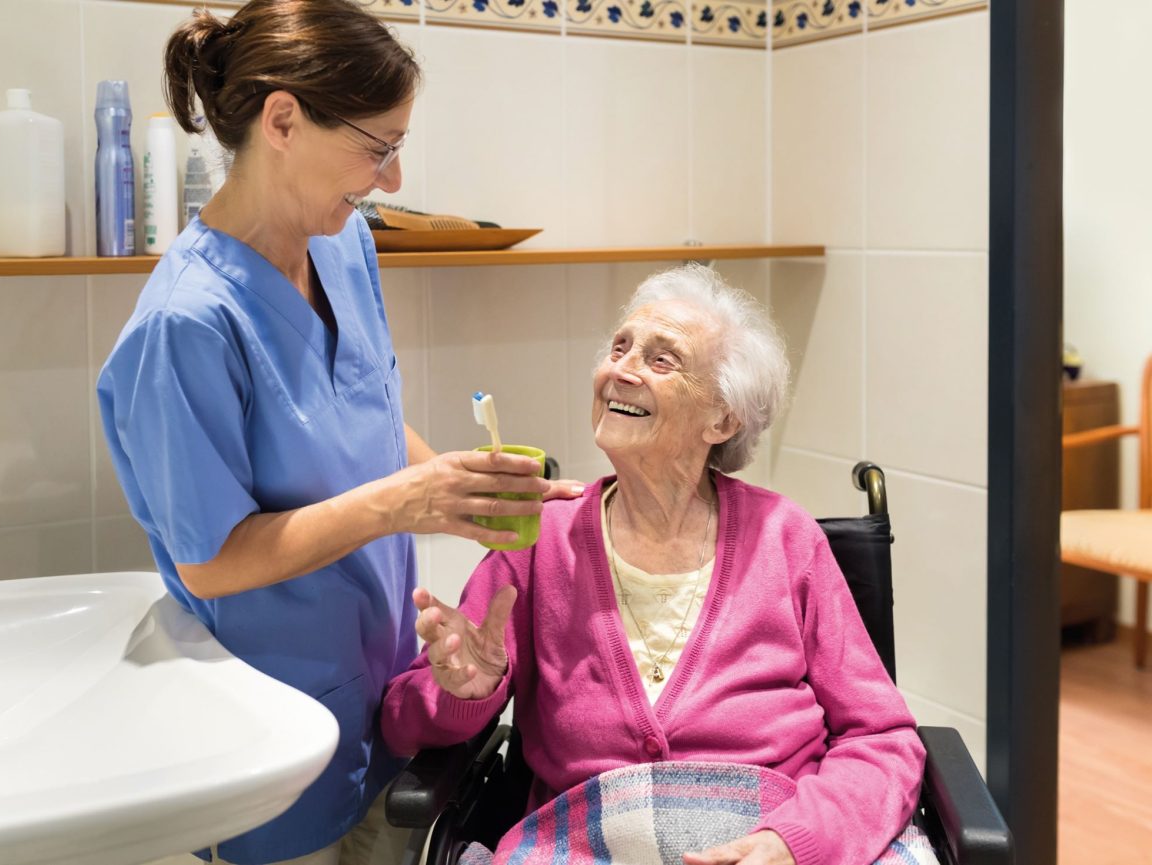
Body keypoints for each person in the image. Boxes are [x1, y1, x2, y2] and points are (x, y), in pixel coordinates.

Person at [96, 2, 579, 863]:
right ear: (282, 119)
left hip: (387, 703)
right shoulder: (186, 325)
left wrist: (474, 491)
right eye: (377, 147)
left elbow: (362, 410)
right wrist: (405, 503)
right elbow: (213, 559)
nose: (390, 181)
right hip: (268, 735)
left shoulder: (345, 243)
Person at [381, 264, 928, 865]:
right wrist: (466, 688)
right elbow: (404, 721)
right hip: (588, 841)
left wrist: (791, 843)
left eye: (661, 360)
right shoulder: (539, 540)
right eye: (619, 347)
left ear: (721, 419)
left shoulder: (785, 538)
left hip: (769, 833)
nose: (620, 369)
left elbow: (882, 738)